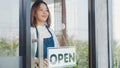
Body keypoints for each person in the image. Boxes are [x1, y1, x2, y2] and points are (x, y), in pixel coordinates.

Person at [30, 0, 59, 68]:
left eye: (46, 10)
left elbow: (57, 50)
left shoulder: (51, 31)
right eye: (41, 10)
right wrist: (38, 61)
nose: (45, 12)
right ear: (34, 13)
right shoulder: (31, 31)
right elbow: (26, 55)